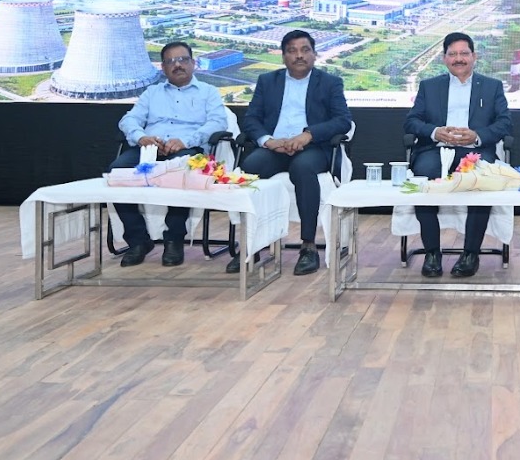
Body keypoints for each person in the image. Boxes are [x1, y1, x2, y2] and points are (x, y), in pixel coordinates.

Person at [235, 29, 353, 276]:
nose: (299, 55)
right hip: (275, 147)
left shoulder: (330, 82)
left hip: (313, 147)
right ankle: (250, 246)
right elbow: (251, 119)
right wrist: (268, 141)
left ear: (314, 54)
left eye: (305, 50)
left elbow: (342, 120)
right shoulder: (267, 81)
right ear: (283, 56)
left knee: (302, 168)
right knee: (250, 167)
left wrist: (308, 135)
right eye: (292, 51)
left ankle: (308, 246)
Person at [403, 32, 513, 278]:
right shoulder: (429, 86)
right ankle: (432, 252)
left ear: (474, 56)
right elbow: (411, 122)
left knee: (481, 180)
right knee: (424, 175)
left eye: (464, 53)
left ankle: (471, 253)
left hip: (475, 150)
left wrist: (477, 136)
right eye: (452, 54)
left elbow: (505, 123)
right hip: (436, 149)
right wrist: (435, 132)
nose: (458, 59)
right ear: (444, 59)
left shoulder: (492, 86)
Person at [108, 40, 226, 267]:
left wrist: (185, 141)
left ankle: (174, 239)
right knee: (117, 173)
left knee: (180, 172)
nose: (177, 65)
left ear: (193, 63)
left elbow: (217, 123)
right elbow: (129, 119)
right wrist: (141, 137)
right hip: (149, 149)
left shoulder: (208, 92)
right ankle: (138, 241)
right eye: (171, 61)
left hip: (186, 149)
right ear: (163, 68)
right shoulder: (152, 93)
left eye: (183, 60)